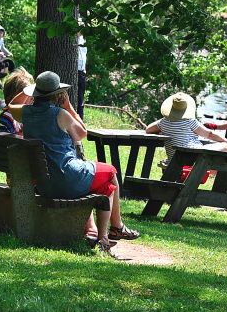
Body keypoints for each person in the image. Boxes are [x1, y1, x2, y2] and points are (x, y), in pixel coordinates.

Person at [21, 71, 140, 255]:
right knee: (111, 172)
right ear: (57, 94)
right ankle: (117, 226)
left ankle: (103, 238)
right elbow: (82, 133)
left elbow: (13, 103)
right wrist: (68, 105)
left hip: (45, 185)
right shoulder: (60, 114)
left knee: (106, 187)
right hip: (67, 177)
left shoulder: (25, 113)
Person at [146, 92, 227, 167]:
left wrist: (162, 131)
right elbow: (209, 134)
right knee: (225, 146)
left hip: (174, 159)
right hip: (193, 158)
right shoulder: (190, 121)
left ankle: (213, 173)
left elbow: (148, 129)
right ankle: (215, 174)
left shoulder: (163, 122)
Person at [0, 68, 34, 135]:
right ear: (16, 95)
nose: (32, 96)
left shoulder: (22, 114)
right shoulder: (9, 115)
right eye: (27, 93)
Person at [77, 32, 88, 120]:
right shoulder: (73, 38)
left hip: (81, 72)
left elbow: (84, 55)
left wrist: (84, 69)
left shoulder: (83, 39)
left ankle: (81, 122)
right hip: (74, 70)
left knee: (80, 100)